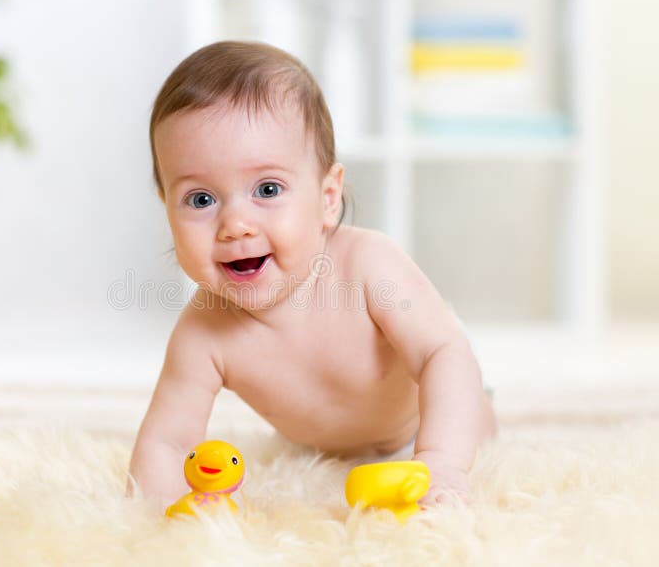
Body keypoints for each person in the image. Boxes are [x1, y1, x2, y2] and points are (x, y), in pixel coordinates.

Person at [129, 41, 497, 509]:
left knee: (473, 425)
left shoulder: (368, 266)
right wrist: (159, 515)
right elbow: (167, 443)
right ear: (167, 209)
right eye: (201, 199)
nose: (235, 224)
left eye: (267, 189)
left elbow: (442, 354)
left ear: (327, 198)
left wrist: (441, 462)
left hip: (424, 421)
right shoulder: (203, 333)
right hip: (326, 449)